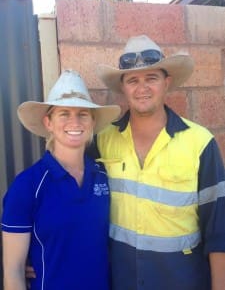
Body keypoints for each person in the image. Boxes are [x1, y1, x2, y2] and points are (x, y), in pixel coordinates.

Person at [93, 35, 225, 290]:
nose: (142, 88)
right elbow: (75, 205)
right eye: (133, 80)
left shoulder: (200, 143)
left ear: (167, 83)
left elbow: (219, 232)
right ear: (123, 88)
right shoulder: (102, 140)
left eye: (151, 78)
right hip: (122, 282)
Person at [1, 69, 121, 290]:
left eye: (83, 114)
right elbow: (13, 271)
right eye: (64, 113)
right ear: (48, 122)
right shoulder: (28, 186)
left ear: (92, 122)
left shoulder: (103, 175)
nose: (74, 122)